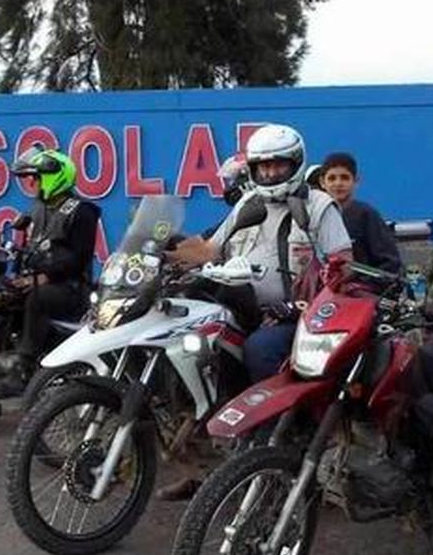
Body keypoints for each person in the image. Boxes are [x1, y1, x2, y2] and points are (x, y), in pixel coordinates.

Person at [168, 123, 353, 384]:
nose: (270, 173)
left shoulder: (319, 206)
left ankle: (274, 423)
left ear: (296, 163)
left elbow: (343, 269)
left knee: (260, 349)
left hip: (297, 317)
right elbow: (209, 249)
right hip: (244, 310)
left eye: (278, 165)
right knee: (196, 339)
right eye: (263, 167)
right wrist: (161, 252)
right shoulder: (249, 203)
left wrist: (297, 308)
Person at [0, 147, 100, 415]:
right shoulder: (39, 207)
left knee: (37, 297)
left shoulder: (82, 211)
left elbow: (79, 259)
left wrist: (44, 275)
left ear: (54, 177)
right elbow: (32, 250)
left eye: (36, 178)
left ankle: (23, 363)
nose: (31, 183)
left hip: (71, 287)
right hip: (36, 280)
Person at [317, 151, 403, 275]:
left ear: (356, 180)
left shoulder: (366, 215)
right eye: (332, 178)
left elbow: (390, 263)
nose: (338, 183)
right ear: (322, 182)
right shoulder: (316, 217)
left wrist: (363, 285)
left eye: (345, 177)